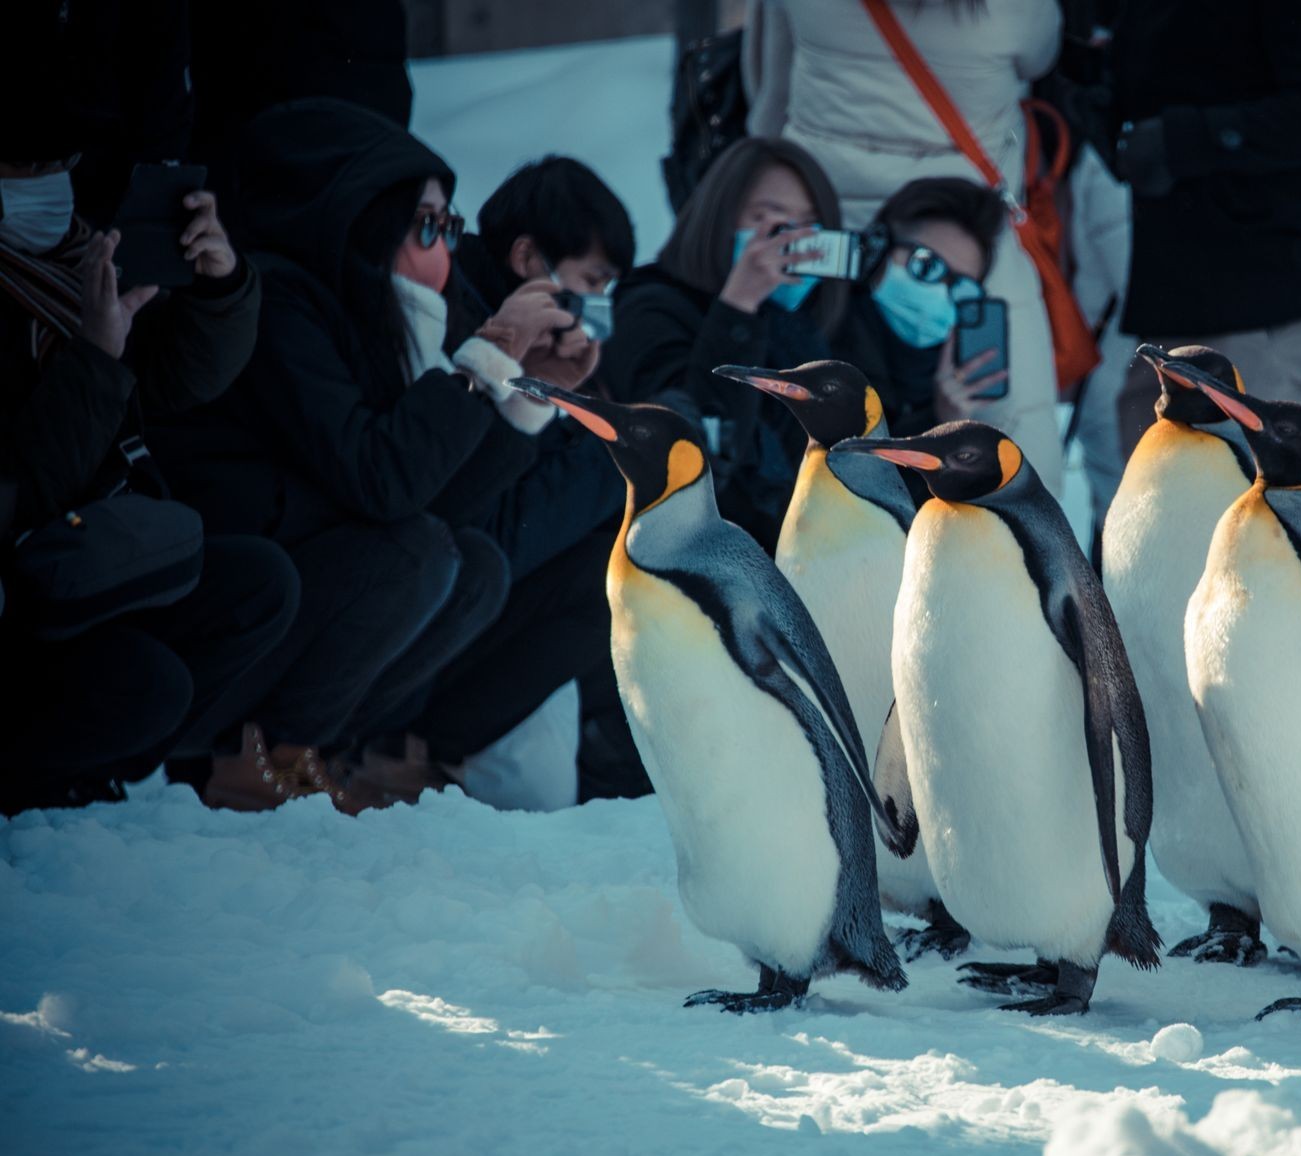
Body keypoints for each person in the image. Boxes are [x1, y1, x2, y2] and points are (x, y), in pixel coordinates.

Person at [155, 98, 578, 811]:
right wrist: (490, 355)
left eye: (451, 224)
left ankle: (307, 752)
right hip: (235, 594)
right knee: (417, 557)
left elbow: (440, 502)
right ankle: (251, 757)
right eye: (428, 223)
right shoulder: (286, 300)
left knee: (474, 567)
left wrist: (527, 396)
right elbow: (381, 481)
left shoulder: (395, 317)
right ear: (361, 215)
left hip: (307, 575)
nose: (444, 243)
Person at [0, 44, 298, 816]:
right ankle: (37, 788)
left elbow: (175, 378)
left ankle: (104, 778)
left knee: (261, 587)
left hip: (93, 552)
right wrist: (95, 360)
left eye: (57, 164)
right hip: (27, 584)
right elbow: (23, 487)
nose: (47, 187)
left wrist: (220, 286)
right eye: (24, 171)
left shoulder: (74, 260)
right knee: (147, 684)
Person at [744, 0, 1068, 496]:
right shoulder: (1013, 8)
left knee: (805, 425)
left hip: (824, 238)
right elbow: (1040, 58)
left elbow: (767, 96)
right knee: (1007, 435)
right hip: (968, 238)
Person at [417, 154, 648, 805]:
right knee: (603, 581)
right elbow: (496, 528)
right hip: (426, 637)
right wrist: (618, 450)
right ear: (526, 258)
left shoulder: (552, 344)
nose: (600, 307)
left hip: (465, 627)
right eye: (591, 281)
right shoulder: (460, 336)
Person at [1108, 1, 1301, 461]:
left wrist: (1183, 141)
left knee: (1247, 517)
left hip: (1261, 301)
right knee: (1150, 510)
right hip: (1174, 298)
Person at [599, 136, 846, 551]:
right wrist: (739, 306)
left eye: (810, 227)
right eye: (772, 222)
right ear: (720, 217)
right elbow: (698, 456)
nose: (794, 245)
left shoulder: (799, 331)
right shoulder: (649, 308)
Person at [834, 177, 1010, 439]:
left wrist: (943, 425)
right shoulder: (814, 344)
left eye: (959, 286)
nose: (940, 292)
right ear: (878, 248)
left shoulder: (947, 390)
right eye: (927, 266)